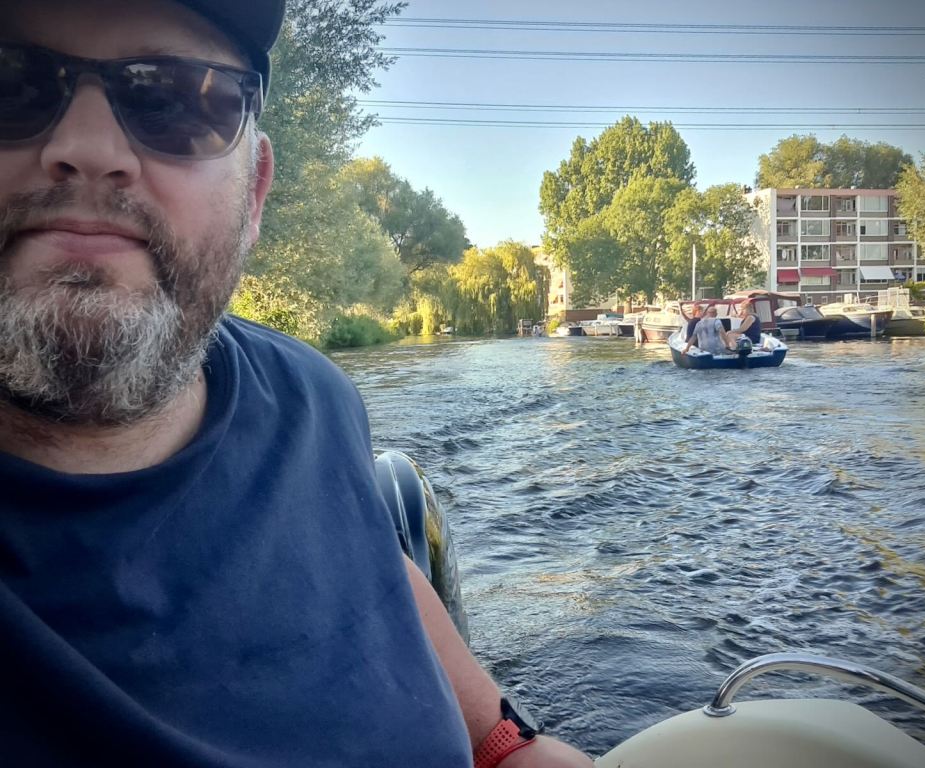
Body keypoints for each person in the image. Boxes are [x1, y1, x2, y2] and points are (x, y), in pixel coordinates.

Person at [0, 1, 593, 766]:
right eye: (11, 87)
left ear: (254, 196)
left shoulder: (311, 394)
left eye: (173, 100)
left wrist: (507, 743)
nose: (86, 148)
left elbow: (391, 595)